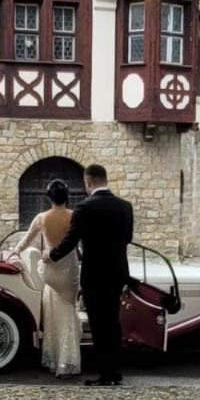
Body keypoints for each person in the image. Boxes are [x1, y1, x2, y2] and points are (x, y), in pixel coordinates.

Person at [47, 164, 133, 386]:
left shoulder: (85, 208)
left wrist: (52, 255)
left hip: (95, 274)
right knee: (113, 323)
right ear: (105, 179)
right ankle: (116, 372)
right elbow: (127, 238)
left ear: (89, 182)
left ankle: (106, 375)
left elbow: (71, 240)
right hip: (117, 273)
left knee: (98, 325)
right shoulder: (125, 207)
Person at [15, 180, 81, 378]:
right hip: (69, 268)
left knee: (52, 311)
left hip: (50, 268)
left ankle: (52, 359)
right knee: (69, 309)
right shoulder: (74, 216)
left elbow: (25, 241)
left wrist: (14, 253)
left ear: (48, 197)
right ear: (67, 196)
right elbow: (78, 244)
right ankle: (68, 361)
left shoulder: (41, 218)